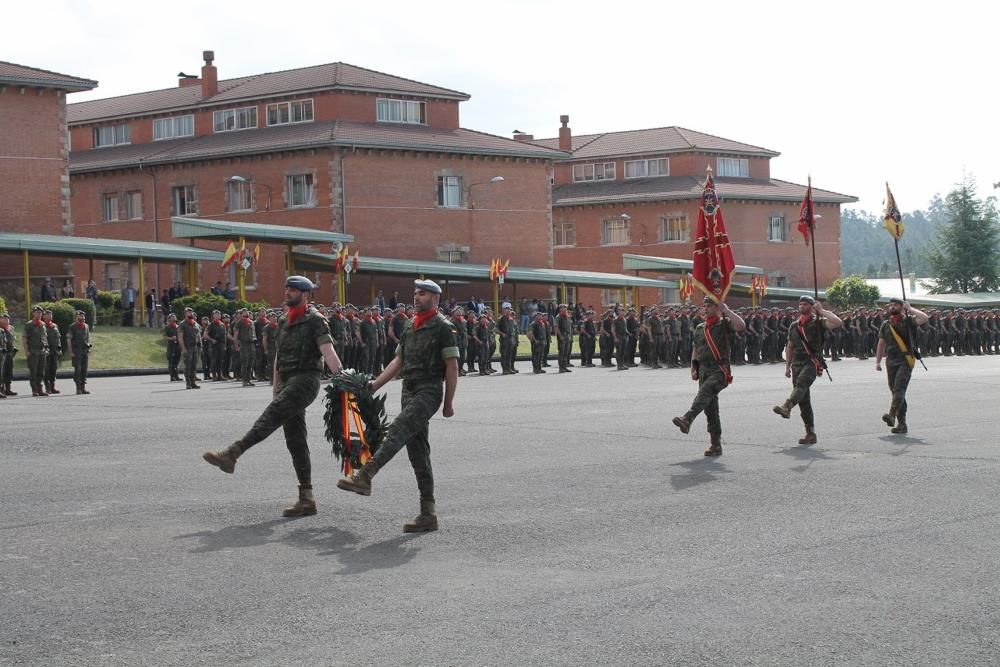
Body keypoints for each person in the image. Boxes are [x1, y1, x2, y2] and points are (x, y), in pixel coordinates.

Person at [203, 276, 343, 518]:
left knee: (271, 416)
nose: (287, 292)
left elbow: (328, 352)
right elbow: (279, 354)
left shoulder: (316, 321)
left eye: (293, 290)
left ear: (306, 294)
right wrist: (275, 385)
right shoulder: (283, 319)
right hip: (287, 381)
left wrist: (342, 378)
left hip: (306, 380)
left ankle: (234, 453)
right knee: (295, 440)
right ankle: (307, 498)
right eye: (287, 288)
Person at [337, 278, 458, 532]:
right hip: (409, 391)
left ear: (435, 299)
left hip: (428, 390)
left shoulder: (443, 327)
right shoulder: (410, 326)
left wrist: (448, 402)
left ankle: (366, 475)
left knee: (398, 429)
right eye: (415, 293)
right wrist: (373, 386)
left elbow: (451, 367)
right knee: (418, 453)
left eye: (423, 294)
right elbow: (397, 362)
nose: (416, 297)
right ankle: (428, 514)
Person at [671, 297, 745, 456]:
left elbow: (740, 326)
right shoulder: (700, 328)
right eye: (704, 306)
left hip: (720, 369)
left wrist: (727, 311)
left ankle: (687, 418)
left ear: (718, 308)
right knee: (710, 408)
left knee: (704, 393)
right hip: (704, 369)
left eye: (710, 306)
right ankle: (715, 445)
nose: (705, 309)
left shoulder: (724, 324)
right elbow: (696, 349)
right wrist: (694, 368)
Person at [773, 295, 843, 444]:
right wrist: (787, 366)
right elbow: (790, 346)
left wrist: (822, 310)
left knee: (802, 385)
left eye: (805, 304)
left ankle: (787, 406)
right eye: (800, 304)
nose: (802, 307)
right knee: (804, 400)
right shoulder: (794, 325)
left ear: (812, 306)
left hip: (812, 361)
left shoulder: (818, 322)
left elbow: (837, 322)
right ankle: (810, 433)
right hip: (797, 364)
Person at [875, 298, 929, 434]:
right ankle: (902, 424)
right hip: (891, 361)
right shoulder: (886, 324)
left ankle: (892, 415)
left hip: (905, 360)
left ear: (902, 307)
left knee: (899, 388)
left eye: (896, 305)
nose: (892, 307)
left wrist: (910, 308)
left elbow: (924, 318)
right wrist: (878, 361)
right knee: (896, 391)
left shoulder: (909, 321)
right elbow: (881, 343)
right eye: (891, 305)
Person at [23, 306, 49, 397]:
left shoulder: (43, 324)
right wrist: (26, 351)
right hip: (33, 350)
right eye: (37, 312)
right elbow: (25, 338)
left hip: (42, 351)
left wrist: (46, 349)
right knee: (33, 371)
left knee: (41, 371)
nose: (39, 314)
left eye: (40, 312)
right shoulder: (29, 324)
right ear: (33, 313)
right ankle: (34, 390)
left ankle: (40, 388)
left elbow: (44, 338)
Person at [177, 307, 202, 389]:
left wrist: (200, 346)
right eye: (188, 312)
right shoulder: (182, 324)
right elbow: (180, 338)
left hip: (195, 347)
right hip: (187, 347)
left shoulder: (194, 323)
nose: (190, 313)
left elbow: (198, 335)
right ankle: (188, 383)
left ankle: (193, 382)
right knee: (188, 365)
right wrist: (183, 349)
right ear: (185, 313)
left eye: (191, 312)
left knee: (194, 365)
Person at [68, 310, 92, 394]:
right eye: (80, 316)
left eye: (83, 316)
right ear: (76, 317)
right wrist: (70, 352)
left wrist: (89, 349)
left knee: (84, 370)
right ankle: (78, 388)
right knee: (78, 369)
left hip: (84, 350)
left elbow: (88, 338)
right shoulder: (73, 326)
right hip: (76, 350)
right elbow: (69, 339)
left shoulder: (86, 326)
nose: (82, 318)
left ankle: (83, 387)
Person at [42, 309, 62, 394]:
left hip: (54, 351)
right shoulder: (41, 325)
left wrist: (59, 348)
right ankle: (47, 387)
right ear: (43, 316)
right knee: (47, 370)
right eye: (47, 315)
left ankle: (53, 387)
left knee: (54, 369)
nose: (49, 316)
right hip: (46, 351)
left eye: (50, 315)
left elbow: (58, 338)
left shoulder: (55, 326)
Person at [0, 312, 16, 396]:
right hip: (2, 353)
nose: (6, 320)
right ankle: (1, 389)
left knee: (9, 371)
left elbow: (13, 339)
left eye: (8, 318)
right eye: (4, 318)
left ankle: (8, 389)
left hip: (10, 353)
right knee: (2, 371)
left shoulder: (11, 328)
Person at [164, 313, 182, 381]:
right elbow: (164, 337)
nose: (174, 317)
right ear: (169, 319)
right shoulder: (167, 327)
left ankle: (176, 376)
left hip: (178, 346)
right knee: (171, 362)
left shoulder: (178, 327)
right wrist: (171, 338)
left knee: (177, 362)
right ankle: (172, 376)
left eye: (174, 316)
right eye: (172, 316)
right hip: (171, 346)